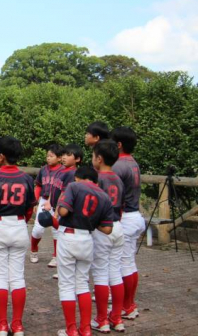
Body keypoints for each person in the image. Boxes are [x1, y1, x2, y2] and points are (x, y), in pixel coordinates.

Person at [0, 136, 36, 336]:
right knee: (18, 277)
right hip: (19, 225)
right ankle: (17, 325)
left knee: (0, 277)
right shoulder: (27, 178)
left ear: (1, 156)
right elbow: (29, 209)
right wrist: (22, 221)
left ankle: (2, 325)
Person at [55, 167, 114, 336]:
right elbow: (107, 229)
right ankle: (86, 329)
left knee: (66, 284)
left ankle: (71, 329)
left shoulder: (74, 187)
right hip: (87, 239)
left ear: (78, 177)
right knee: (82, 284)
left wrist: (59, 205)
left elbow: (64, 211)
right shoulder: (104, 196)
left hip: (69, 236)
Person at [111, 127, 146, 320]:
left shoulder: (118, 166)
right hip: (135, 216)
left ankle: (124, 307)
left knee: (121, 266)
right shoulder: (133, 163)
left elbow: (114, 195)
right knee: (130, 264)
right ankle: (129, 304)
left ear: (118, 145)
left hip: (124, 217)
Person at [91, 140, 126, 333]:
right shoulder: (118, 178)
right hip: (118, 226)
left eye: (93, 156)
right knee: (115, 273)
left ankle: (102, 319)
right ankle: (117, 318)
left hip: (102, 229)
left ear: (100, 158)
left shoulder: (98, 179)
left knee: (101, 274)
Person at [44, 144, 83, 277]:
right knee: (59, 238)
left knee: (64, 241)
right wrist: (49, 201)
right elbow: (54, 188)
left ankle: (65, 270)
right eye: (64, 155)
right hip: (55, 208)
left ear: (77, 159)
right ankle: (63, 268)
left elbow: (64, 194)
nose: (64, 157)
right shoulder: (61, 170)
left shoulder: (72, 173)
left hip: (63, 211)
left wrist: (56, 213)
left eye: (68, 155)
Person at [30, 144, 63, 264]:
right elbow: (38, 185)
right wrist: (35, 201)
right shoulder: (43, 169)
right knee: (38, 229)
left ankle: (55, 256)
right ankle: (33, 249)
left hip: (57, 201)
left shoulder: (62, 171)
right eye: (47, 156)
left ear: (59, 158)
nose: (48, 158)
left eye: (51, 156)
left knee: (56, 229)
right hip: (44, 201)